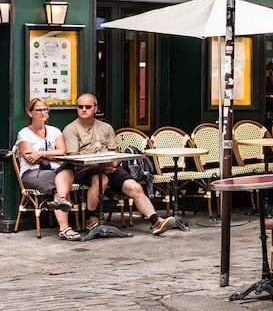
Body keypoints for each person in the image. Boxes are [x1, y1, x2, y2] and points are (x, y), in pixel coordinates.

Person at [62, 94, 176, 236]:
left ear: (96, 108)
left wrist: (113, 164)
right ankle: (90, 217)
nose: (83, 109)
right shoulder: (71, 129)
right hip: (85, 169)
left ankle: (156, 221)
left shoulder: (106, 127)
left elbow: (114, 153)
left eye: (88, 106)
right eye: (80, 107)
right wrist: (101, 166)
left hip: (109, 167)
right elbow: (74, 159)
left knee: (134, 187)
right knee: (100, 180)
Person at [15, 98, 81, 241]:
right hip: (32, 173)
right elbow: (30, 158)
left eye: (45, 109)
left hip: (56, 170)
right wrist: (53, 155)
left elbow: (63, 152)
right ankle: (65, 228)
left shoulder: (54, 131)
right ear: (30, 113)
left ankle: (61, 201)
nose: (42, 113)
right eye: (38, 110)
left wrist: (41, 153)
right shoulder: (24, 134)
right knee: (60, 185)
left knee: (67, 170)